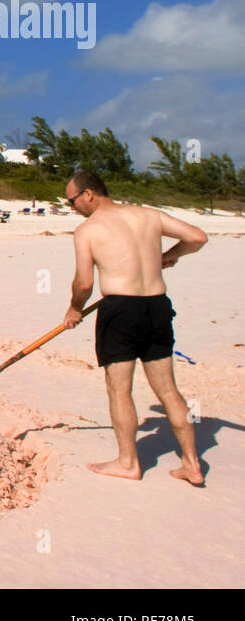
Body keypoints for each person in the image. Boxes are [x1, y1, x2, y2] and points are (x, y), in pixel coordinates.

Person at [62, 171, 208, 485]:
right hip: (156, 306)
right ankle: (192, 464)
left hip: (120, 311)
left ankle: (128, 462)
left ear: (89, 194)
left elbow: (85, 283)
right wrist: (169, 255)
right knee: (168, 390)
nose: (71, 206)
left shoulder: (88, 230)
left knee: (119, 389)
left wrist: (74, 308)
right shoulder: (149, 215)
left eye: (71, 200)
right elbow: (198, 237)